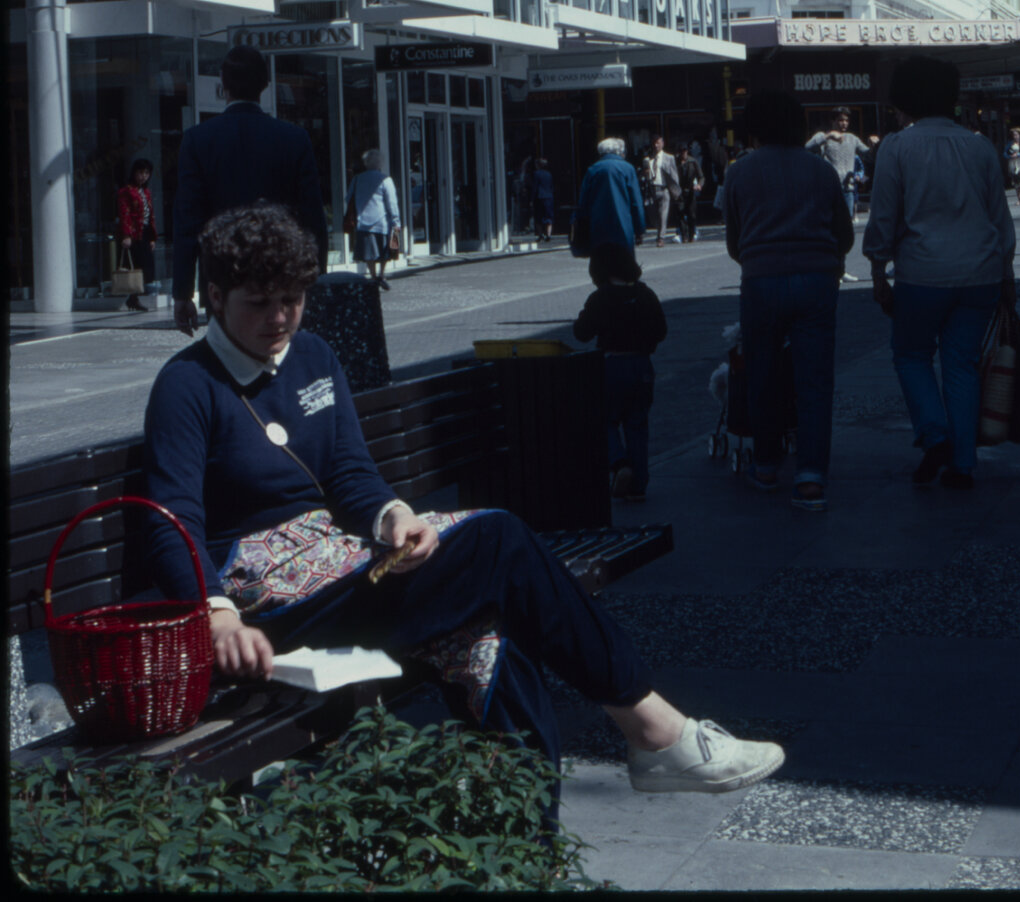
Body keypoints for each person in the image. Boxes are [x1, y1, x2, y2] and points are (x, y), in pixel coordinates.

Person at [143, 202, 784, 820]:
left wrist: (395, 517)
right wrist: (217, 617)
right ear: (215, 297)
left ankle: (530, 855)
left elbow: (349, 473)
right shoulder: (187, 385)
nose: (280, 318)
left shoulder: (312, 356)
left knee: (489, 641)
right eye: (259, 303)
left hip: (345, 565)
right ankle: (653, 728)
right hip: (270, 607)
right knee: (498, 540)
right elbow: (171, 518)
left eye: (293, 299)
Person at [863, 57, 1016, 491]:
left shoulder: (896, 147)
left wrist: (878, 269)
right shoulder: (979, 147)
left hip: (922, 273)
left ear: (905, 98)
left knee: (911, 355)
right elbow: (1000, 219)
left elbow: (884, 216)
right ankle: (963, 462)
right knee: (962, 364)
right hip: (981, 273)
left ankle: (935, 434)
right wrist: (1007, 275)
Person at [723, 90, 854, 512]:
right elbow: (844, 234)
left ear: (754, 127)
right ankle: (811, 477)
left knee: (762, 373)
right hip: (817, 281)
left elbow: (734, 241)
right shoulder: (821, 170)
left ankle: (765, 466)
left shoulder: (739, 172)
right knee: (814, 379)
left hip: (761, 281)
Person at [172, 45, 329, 334]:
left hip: (223, 283)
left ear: (223, 84)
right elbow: (313, 221)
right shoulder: (294, 139)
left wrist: (182, 292)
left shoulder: (198, 140)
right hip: (282, 280)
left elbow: (187, 222)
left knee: (227, 356)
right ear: (265, 84)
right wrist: (314, 284)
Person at [573, 244, 667, 502]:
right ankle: (639, 484)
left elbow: (581, 333)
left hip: (612, 364)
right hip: (642, 365)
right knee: (637, 424)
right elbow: (661, 330)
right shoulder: (645, 293)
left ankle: (619, 462)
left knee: (604, 419)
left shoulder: (601, 297)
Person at [806, 110, 879, 252]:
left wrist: (874, 146)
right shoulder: (822, 136)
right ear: (833, 121)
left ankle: (841, 259)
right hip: (829, 189)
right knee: (829, 225)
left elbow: (869, 156)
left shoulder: (852, 139)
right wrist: (828, 136)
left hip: (848, 190)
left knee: (845, 228)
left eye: (846, 120)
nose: (844, 123)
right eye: (840, 120)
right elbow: (807, 148)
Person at [573, 138, 646, 258]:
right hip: (623, 227)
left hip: (598, 227)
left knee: (601, 262)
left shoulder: (592, 170)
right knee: (624, 262)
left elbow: (583, 203)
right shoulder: (628, 169)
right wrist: (640, 229)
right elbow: (636, 202)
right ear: (619, 151)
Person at [344, 149, 400, 289]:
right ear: (380, 163)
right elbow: (392, 203)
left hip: (363, 222)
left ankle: (373, 276)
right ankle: (382, 274)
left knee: (369, 253)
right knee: (385, 251)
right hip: (382, 222)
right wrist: (396, 221)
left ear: (366, 163)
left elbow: (348, 198)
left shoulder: (357, 179)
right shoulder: (385, 180)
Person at [117, 157, 157, 312]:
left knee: (146, 267)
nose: (143, 176)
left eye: (146, 173)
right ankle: (133, 298)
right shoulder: (126, 191)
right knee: (135, 265)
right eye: (140, 173)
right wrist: (126, 235)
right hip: (134, 234)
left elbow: (150, 215)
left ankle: (134, 298)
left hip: (145, 232)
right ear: (134, 173)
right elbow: (125, 214)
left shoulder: (146, 192)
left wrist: (152, 237)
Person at [642, 135, 681, 247]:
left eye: (658, 143)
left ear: (662, 144)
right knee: (653, 216)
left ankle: (661, 237)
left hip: (664, 189)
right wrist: (645, 173)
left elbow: (674, 174)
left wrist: (675, 189)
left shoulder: (669, 158)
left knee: (663, 215)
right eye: (654, 143)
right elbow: (643, 175)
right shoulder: (648, 159)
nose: (656, 145)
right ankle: (658, 230)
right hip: (652, 190)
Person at [676, 143, 704, 243]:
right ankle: (684, 235)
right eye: (681, 151)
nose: (683, 153)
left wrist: (699, 185)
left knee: (692, 214)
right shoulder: (676, 162)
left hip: (690, 190)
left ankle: (691, 234)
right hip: (679, 191)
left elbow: (701, 176)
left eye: (684, 151)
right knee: (680, 213)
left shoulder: (693, 161)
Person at [530, 157, 554, 242]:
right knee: (548, 216)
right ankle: (548, 234)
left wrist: (531, 199)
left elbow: (534, 187)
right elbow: (551, 186)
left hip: (539, 197)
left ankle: (540, 235)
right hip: (549, 197)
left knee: (538, 217)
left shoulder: (536, 174)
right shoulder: (549, 174)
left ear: (538, 165)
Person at [1004, 128, 1020, 206]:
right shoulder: (1010, 144)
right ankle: (1019, 198)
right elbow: (1005, 153)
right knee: (1016, 181)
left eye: (1016, 135)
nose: (1015, 136)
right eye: (1014, 135)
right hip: (1013, 163)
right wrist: (1010, 156)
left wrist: (1018, 154)